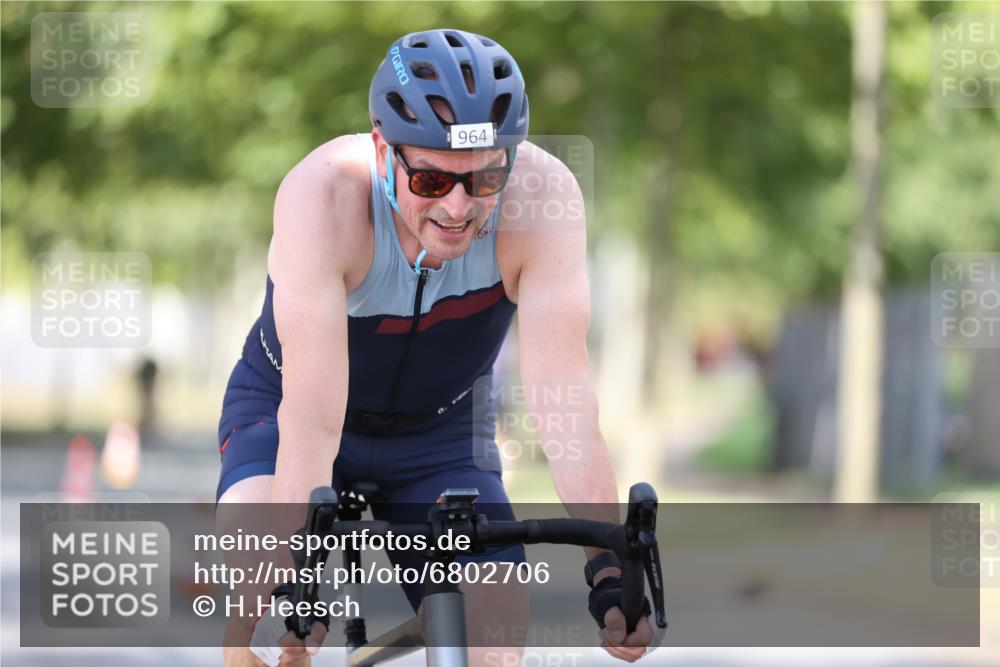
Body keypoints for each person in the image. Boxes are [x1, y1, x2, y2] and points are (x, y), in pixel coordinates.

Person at [215, 28, 655, 666]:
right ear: (381, 148)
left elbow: (565, 406)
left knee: (495, 644)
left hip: (440, 439)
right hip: (285, 414)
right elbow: (311, 416)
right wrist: (295, 570)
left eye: (484, 179)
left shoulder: (543, 199)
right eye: (428, 178)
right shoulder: (324, 195)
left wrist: (609, 564)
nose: (457, 207)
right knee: (256, 600)